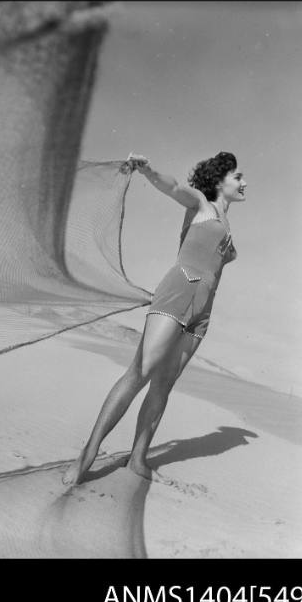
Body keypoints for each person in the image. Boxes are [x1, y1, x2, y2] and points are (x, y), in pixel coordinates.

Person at [62, 151, 247, 486]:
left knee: (165, 383)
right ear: (220, 181)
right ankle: (87, 454)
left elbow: (227, 256)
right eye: (238, 177)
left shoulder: (225, 223)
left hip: (202, 312)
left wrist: (226, 251)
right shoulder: (201, 205)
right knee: (141, 372)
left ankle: (138, 458)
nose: (244, 182)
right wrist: (148, 171)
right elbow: (174, 187)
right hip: (179, 292)